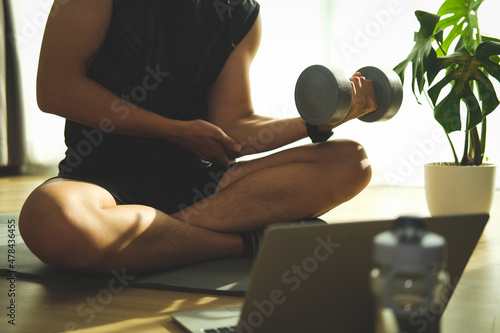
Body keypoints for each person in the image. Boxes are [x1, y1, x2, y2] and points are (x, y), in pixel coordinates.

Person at [19, 0, 376, 273]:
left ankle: (158, 236)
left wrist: (314, 123)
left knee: (351, 161)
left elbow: (233, 127)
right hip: (99, 181)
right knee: (49, 220)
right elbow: (56, 89)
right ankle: (240, 243)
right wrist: (172, 130)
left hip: (194, 187)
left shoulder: (240, 11)